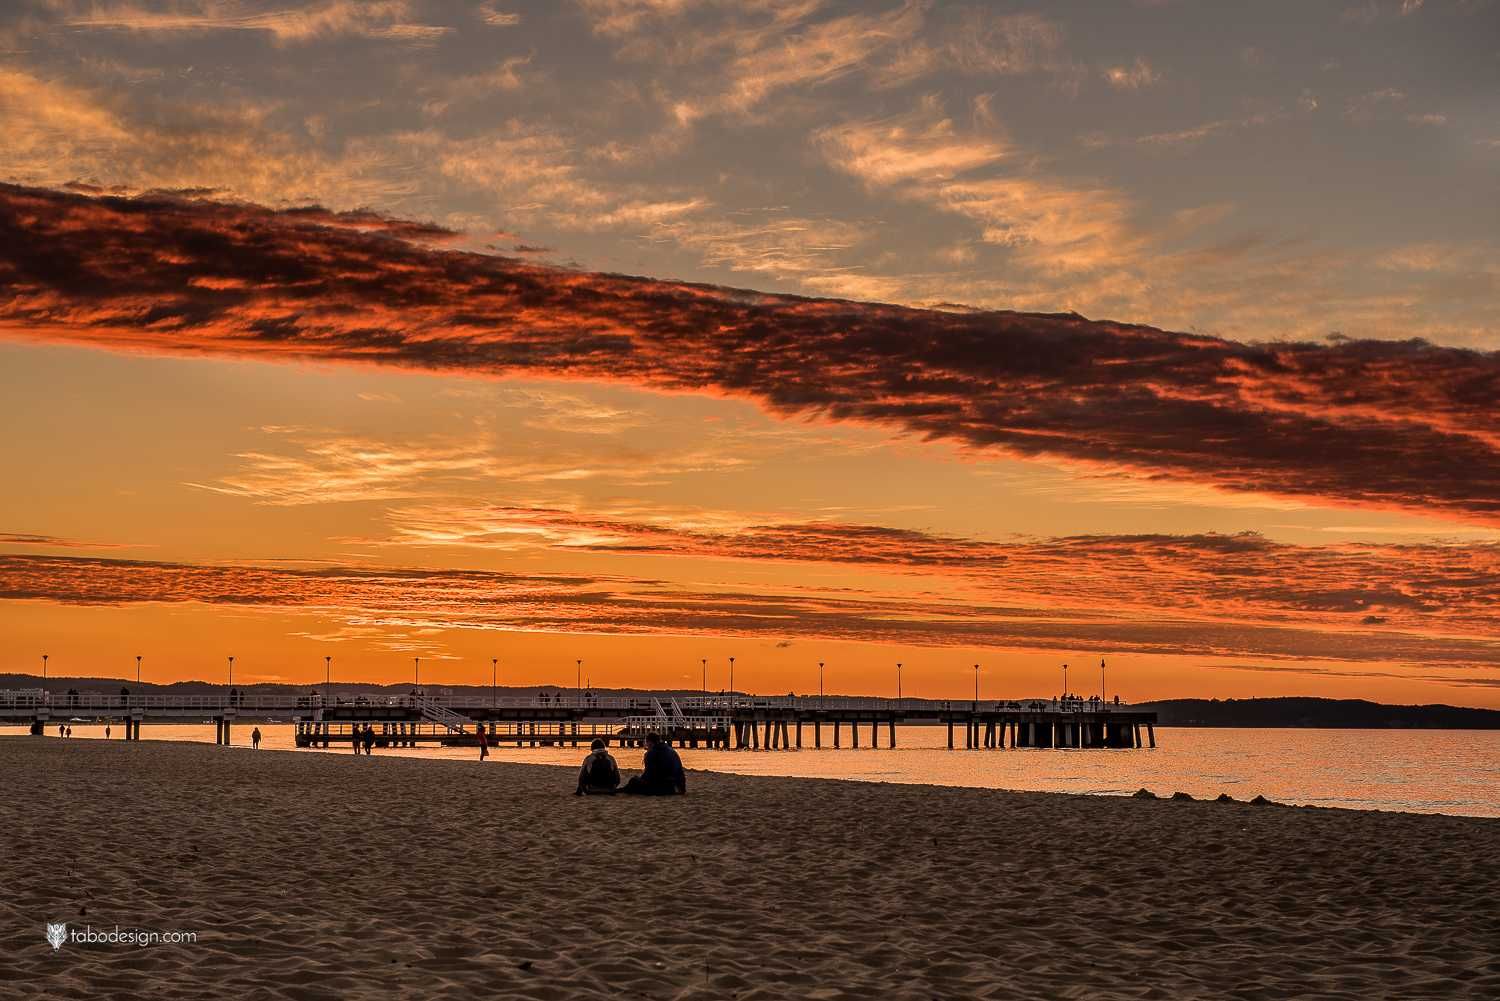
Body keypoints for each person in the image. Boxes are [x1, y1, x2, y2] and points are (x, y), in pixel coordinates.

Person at [622, 732, 686, 796]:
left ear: (650, 742)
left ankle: (620, 790)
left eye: (646, 742)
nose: (646, 745)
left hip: (666, 788)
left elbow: (649, 775)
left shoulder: (652, 753)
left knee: (634, 781)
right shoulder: (671, 750)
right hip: (679, 786)